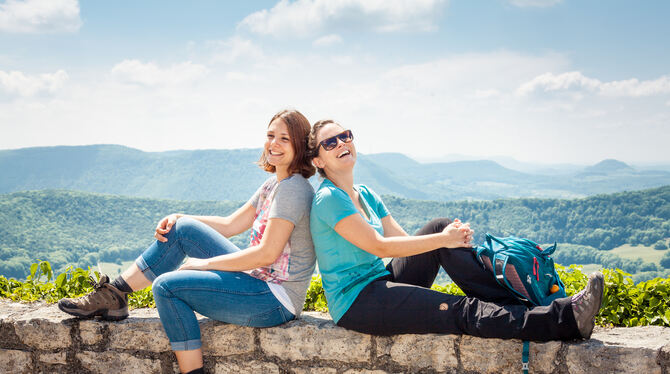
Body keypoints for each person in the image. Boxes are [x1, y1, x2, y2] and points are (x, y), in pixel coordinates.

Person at [58, 109, 317, 374]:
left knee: (166, 287)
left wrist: (203, 265)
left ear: (300, 146)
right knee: (181, 228)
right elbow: (231, 225)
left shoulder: (293, 189)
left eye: (284, 139)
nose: (274, 144)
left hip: (274, 299)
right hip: (258, 282)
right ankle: (114, 295)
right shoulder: (274, 184)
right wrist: (181, 216)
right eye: (271, 135)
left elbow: (266, 254)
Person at [307, 119, 604, 341]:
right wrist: (445, 238)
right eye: (330, 142)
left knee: (438, 228)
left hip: (381, 281)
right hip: (358, 302)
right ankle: (565, 320)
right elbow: (381, 247)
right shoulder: (330, 198)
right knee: (461, 310)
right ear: (318, 160)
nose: (342, 143)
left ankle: (514, 305)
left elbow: (406, 243)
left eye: (345, 136)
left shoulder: (365, 193)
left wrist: (446, 238)